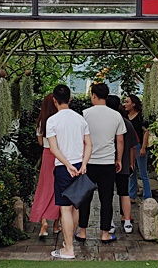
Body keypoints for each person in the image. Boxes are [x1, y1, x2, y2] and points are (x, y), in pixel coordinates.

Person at [46, 84, 92, 259]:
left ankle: (69, 248)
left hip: (63, 167)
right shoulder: (80, 119)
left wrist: (67, 164)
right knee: (75, 206)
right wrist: (84, 163)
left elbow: (53, 148)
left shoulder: (52, 121)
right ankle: (68, 243)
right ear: (70, 99)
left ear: (54, 100)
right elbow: (89, 144)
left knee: (65, 209)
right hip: (79, 165)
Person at [77, 83, 125, 244]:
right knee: (106, 199)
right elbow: (120, 140)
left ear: (93, 95)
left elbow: (80, 138)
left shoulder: (85, 114)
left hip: (88, 162)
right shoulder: (116, 115)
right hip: (107, 162)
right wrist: (118, 159)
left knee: (85, 198)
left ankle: (82, 231)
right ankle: (105, 233)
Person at [29, 93, 61, 238]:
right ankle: (56, 224)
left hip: (47, 154)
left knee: (44, 187)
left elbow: (41, 142)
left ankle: (43, 221)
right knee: (58, 188)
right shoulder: (60, 119)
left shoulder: (42, 121)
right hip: (60, 155)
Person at [106, 94, 137, 234]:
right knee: (124, 192)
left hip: (107, 163)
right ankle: (127, 221)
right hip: (124, 164)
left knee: (108, 194)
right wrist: (131, 163)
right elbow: (132, 146)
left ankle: (110, 222)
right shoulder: (127, 123)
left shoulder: (106, 122)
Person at [124, 94, 151, 202]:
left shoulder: (140, 117)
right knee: (132, 172)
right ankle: (132, 195)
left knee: (143, 173)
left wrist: (143, 147)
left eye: (127, 102)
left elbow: (146, 131)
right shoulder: (125, 117)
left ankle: (147, 197)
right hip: (129, 147)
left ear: (134, 104)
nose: (125, 104)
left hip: (139, 145)